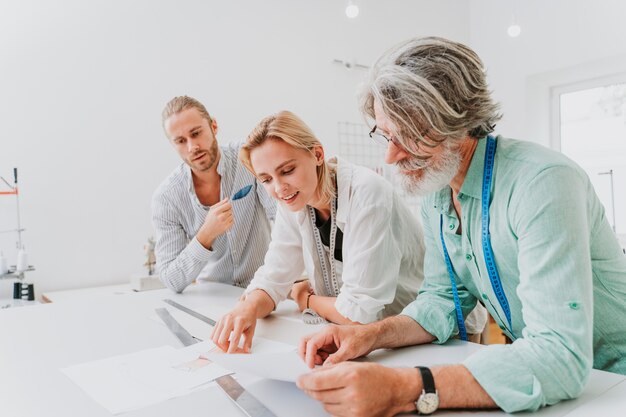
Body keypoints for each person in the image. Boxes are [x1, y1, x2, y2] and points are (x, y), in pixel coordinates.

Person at [297, 37, 626, 416]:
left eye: (409, 136)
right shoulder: (438, 191)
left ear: (460, 122)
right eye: (386, 134)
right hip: (566, 387)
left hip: (611, 381)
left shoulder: (543, 182)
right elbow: (441, 301)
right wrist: (367, 336)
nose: (390, 155)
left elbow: (559, 354)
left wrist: (405, 388)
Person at [211, 110, 487, 353]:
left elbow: (358, 317)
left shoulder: (367, 193)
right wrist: (245, 309)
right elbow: (274, 278)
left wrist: (305, 298)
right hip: (381, 339)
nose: (279, 188)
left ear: (317, 154)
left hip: (437, 332)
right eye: (266, 179)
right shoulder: (293, 202)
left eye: (288, 170)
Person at [152, 96, 276, 292]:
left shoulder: (248, 158)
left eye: (196, 133)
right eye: (181, 141)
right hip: (211, 298)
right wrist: (205, 235)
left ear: (214, 126)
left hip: (263, 290)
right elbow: (171, 280)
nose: (192, 147)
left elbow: (282, 216)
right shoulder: (167, 199)